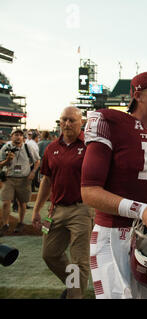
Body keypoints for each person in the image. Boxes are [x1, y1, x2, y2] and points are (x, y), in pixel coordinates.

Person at [80, 71, 147, 299]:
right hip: (113, 233)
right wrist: (142, 209)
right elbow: (89, 191)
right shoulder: (109, 121)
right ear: (138, 94)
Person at [31, 107, 93, 299]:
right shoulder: (51, 148)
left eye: (71, 120)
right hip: (55, 210)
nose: (66, 124)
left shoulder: (90, 147)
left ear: (81, 122)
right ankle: (73, 286)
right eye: (63, 120)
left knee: (78, 260)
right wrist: (37, 210)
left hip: (81, 209)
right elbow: (47, 180)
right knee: (49, 254)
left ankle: (74, 295)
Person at [0, 128, 40, 235]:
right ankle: (5, 225)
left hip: (24, 179)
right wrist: (7, 161)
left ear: (23, 137)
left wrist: (33, 172)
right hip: (9, 178)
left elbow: (37, 161)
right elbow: (0, 164)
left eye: (20, 135)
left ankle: (21, 222)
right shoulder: (6, 148)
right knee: (5, 202)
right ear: (11, 136)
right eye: (16, 134)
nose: (18, 137)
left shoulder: (28, 147)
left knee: (22, 203)